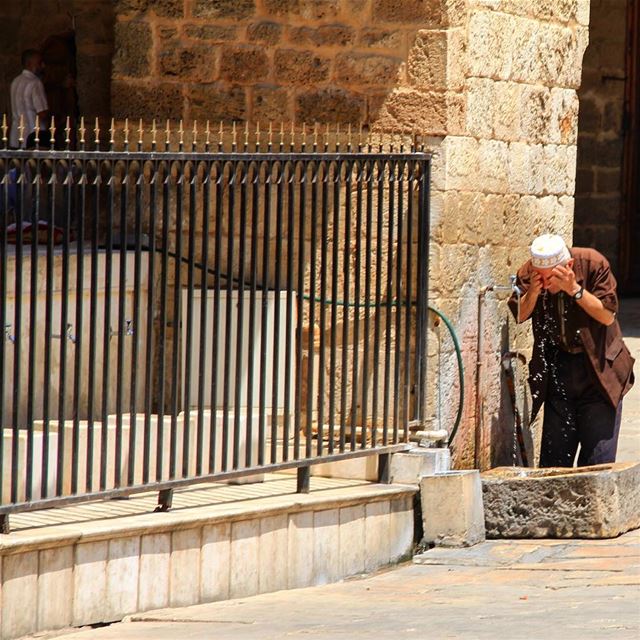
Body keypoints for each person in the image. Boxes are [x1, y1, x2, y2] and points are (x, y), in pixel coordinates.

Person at [508, 234, 635, 468]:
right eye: (541, 278)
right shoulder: (531, 274)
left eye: (551, 278)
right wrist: (534, 292)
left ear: (567, 267)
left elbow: (607, 315)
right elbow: (519, 315)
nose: (546, 284)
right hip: (559, 373)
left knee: (598, 465)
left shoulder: (593, 264)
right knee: (554, 463)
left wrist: (574, 289)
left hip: (599, 372)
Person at [9, 49, 49, 149]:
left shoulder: (15, 81)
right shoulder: (35, 82)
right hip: (33, 135)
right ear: (29, 63)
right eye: (39, 63)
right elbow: (42, 112)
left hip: (16, 136)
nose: (43, 66)